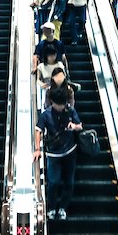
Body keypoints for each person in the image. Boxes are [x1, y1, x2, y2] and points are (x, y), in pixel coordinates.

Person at [34, 87, 82, 220]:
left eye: (62, 104)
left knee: (69, 182)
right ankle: (51, 208)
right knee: (53, 182)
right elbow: (38, 130)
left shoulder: (70, 111)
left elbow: (80, 126)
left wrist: (73, 126)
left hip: (70, 151)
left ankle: (63, 208)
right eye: (58, 104)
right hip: (53, 154)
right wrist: (37, 149)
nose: (61, 107)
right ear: (52, 102)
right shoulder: (46, 114)